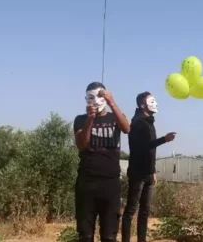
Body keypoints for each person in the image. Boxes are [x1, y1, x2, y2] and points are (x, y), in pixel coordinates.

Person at [73, 82, 131, 242]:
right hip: (87, 183)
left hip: (110, 184)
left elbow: (127, 128)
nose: (96, 101)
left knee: (109, 235)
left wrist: (112, 103)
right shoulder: (80, 120)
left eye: (100, 96)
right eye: (91, 97)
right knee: (85, 235)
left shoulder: (115, 118)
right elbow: (81, 144)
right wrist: (90, 120)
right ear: (86, 99)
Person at [121, 92, 176, 242]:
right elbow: (145, 146)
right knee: (131, 210)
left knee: (144, 211)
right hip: (138, 173)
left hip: (148, 173)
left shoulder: (148, 121)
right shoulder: (138, 122)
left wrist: (153, 171)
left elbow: (150, 150)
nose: (155, 103)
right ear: (142, 105)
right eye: (151, 100)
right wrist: (165, 139)